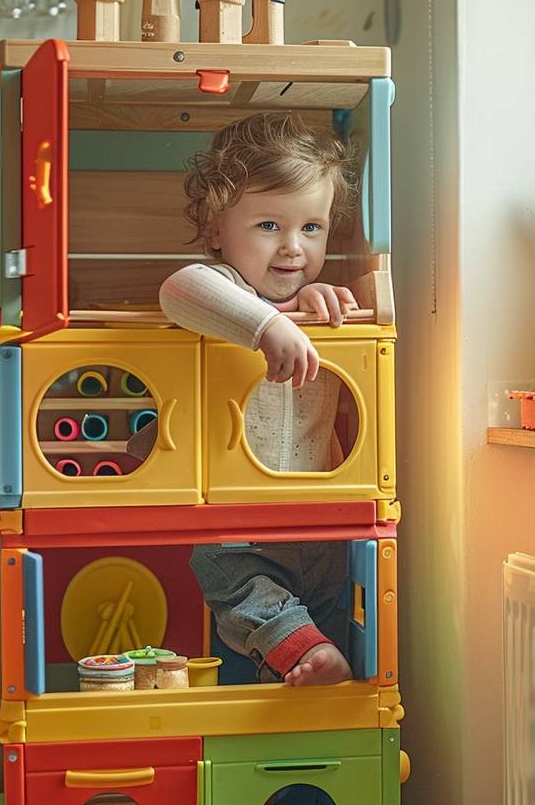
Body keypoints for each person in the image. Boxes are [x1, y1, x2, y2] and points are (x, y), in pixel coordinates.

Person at [159, 111, 360, 686]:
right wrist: (268, 327)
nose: (293, 248)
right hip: (234, 517)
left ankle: (315, 665)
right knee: (240, 588)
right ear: (217, 229)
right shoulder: (221, 289)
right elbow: (179, 289)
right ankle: (301, 654)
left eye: (312, 228)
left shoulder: (317, 297)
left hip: (318, 517)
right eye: (269, 225)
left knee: (329, 611)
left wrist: (314, 303)